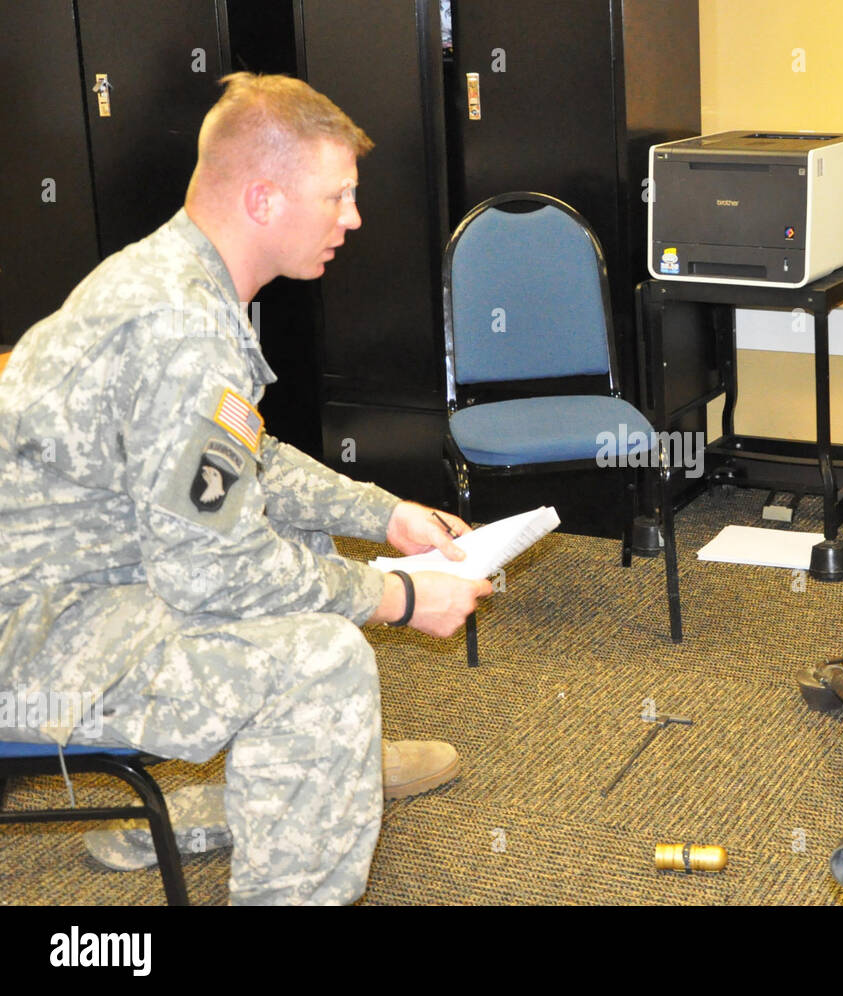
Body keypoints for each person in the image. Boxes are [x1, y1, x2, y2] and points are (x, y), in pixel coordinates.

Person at [0, 73, 492, 902]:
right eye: (337, 197)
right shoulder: (181, 327)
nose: (353, 218)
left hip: (93, 585)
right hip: (37, 639)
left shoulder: (181, 280)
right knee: (321, 662)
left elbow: (243, 459)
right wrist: (398, 598)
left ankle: (300, 780)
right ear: (263, 199)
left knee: (298, 552)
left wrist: (389, 516)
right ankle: (317, 776)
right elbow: (214, 573)